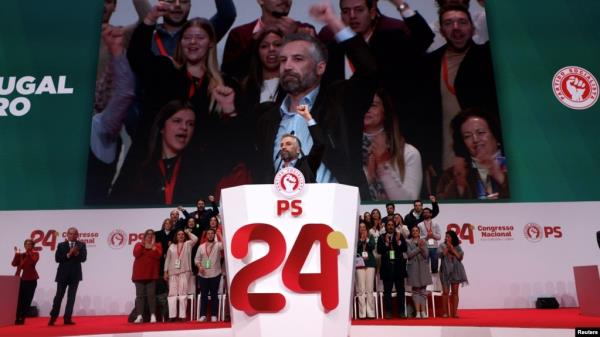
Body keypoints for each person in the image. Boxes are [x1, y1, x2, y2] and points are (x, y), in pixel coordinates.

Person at [254, 2, 378, 199]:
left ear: (320, 67)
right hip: (281, 215)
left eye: (297, 59)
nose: (287, 66)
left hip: (337, 213)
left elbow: (369, 71)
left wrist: (333, 21)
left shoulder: (340, 103)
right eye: (283, 60)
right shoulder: (267, 118)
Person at [420, 4, 499, 187]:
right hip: (444, 157)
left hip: (486, 153)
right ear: (441, 30)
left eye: (462, 22)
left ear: (472, 28)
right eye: (449, 23)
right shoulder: (428, 65)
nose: (456, 28)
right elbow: (422, 115)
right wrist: (427, 157)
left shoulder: (488, 57)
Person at [111, 100, 214, 204]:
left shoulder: (199, 170)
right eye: (177, 121)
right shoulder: (138, 167)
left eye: (190, 124)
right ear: (162, 128)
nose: (184, 127)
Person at [363, 88, 422, 200]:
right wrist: (369, 176)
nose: (366, 109)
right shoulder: (347, 153)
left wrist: (382, 167)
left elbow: (409, 205)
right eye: (362, 104)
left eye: (373, 105)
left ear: (385, 112)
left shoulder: (409, 153)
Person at [437, 108, 509, 199]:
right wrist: (459, 184)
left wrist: (499, 176)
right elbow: (443, 207)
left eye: (481, 132)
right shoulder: (452, 175)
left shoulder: (518, 168)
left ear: (496, 136)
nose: (475, 139)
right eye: (467, 136)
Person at [222, 0, 303, 80]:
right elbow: (229, 74)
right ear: (260, 1)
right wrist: (254, 42)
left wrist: (296, 37)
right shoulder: (239, 34)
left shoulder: (305, 31)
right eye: (264, 46)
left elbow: (313, 70)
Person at [150, 0, 236, 57]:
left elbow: (227, 15)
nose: (177, 5)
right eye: (171, 0)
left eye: (183, 1)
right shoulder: (146, 37)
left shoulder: (202, 34)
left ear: (190, 5)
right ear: (160, 4)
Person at [274, 104, 325, 183]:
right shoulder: (277, 171)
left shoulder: (307, 164)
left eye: (288, 144)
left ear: (298, 150)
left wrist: (307, 117)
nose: (283, 147)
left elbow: (319, 144)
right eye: (281, 145)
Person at [240, 28, 285, 113]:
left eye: (278, 45)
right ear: (257, 51)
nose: (271, 49)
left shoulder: (294, 84)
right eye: (264, 46)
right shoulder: (245, 86)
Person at [49, 227, 87, 326]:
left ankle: (67, 319)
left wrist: (77, 253)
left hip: (75, 276)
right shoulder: (61, 245)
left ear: (77, 235)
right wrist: (69, 254)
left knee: (71, 298)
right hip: (62, 275)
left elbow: (83, 259)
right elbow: (57, 259)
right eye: (70, 233)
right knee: (58, 297)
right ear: (67, 234)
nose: (72, 235)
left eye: (75, 234)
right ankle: (53, 318)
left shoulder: (82, 245)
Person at [164, 228, 198, 321]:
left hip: (184, 271)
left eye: (182, 234)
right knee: (172, 294)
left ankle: (182, 316)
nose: (181, 236)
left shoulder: (188, 244)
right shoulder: (171, 246)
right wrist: (165, 272)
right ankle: (172, 316)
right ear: (176, 236)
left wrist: (188, 232)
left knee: (183, 294)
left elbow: (195, 239)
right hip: (172, 272)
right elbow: (167, 259)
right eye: (179, 234)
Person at [377, 219, 407, 319]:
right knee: (387, 292)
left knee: (401, 291)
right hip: (387, 267)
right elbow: (379, 250)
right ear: (386, 227)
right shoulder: (382, 237)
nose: (390, 226)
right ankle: (388, 312)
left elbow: (404, 248)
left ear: (394, 226)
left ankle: (401, 312)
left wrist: (398, 241)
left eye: (392, 225)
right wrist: (386, 244)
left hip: (398, 267)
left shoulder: (400, 236)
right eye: (388, 225)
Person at [132, 229, 163, 323]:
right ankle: (139, 315)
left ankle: (153, 315)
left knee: (151, 296)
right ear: (144, 236)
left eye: (152, 235)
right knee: (139, 296)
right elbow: (136, 254)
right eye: (148, 235)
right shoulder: (138, 244)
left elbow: (158, 256)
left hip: (151, 275)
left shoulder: (157, 245)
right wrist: (143, 245)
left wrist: (153, 247)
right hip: (139, 275)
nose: (150, 237)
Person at [194, 228, 224, 322]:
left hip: (215, 274)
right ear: (206, 235)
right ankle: (203, 315)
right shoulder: (201, 247)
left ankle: (214, 315)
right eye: (208, 233)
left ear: (214, 235)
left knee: (214, 295)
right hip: (203, 275)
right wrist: (199, 267)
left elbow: (225, 246)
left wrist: (219, 235)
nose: (210, 235)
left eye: (212, 233)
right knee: (204, 295)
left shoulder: (218, 245)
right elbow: (196, 259)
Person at [438, 230, 468, 318]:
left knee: (455, 293)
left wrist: (452, 249)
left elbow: (460, 257)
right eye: (446, 236)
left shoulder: (457, 246)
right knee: (445, 292)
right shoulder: (442, 245)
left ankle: (454, 313)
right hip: (445, 271)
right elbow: (440, 256)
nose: (447, 238)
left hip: (456, 270)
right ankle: (445, 313)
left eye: (449, 237)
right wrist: (447, 248)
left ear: (453, 238)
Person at [406, 226, 432, 318]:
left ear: (419, 232)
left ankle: (423, 311)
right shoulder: (408, 242)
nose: (415, 232)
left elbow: (426, 255)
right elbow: (409, 255)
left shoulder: (423, 241)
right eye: (413, 230)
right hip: (413, 267)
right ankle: (417, 312)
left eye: (416, 230)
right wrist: (419, 248)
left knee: (423, 290)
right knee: (416, 290)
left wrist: (422, 248)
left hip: (423, 267)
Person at [12, 239, 39, 325]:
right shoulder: (21, 255)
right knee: (19, 300)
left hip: (31, 280)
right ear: (24, 245)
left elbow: (33, 262)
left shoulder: (35, 254)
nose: (28, 246)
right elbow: (14, 264)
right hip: (19, 280)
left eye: (30, 244)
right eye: (26, 244)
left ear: (32, 246)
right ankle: (16, 317)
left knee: (27, 301)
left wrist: (29, 253)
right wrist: (17, 254)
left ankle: (22, 318)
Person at [355, 222, 376, 319]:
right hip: (360, 265)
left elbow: (372, 246)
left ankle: (371, 312)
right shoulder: (356, 237)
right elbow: (355, 249)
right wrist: (360, 240)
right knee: (361, 290)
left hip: (370, 264)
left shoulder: (371, 236)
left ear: (366, 229)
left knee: (370, 289)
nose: (362, 229)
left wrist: (366, 240)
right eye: (360, 227)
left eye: (364, 227)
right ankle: (362, 313)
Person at [418, 207, 441, 274]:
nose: (425, 214)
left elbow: (439, 237)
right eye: (424, 213)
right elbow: (418, 237)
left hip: (434, 247)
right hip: (424, 247)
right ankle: (426, 282)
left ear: (431, 214)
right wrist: (426, 237)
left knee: (434, 267)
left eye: (427, 212)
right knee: (425, 267)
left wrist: (433, 235)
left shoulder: (435, 223)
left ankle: (435, 282)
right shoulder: (420, 225)